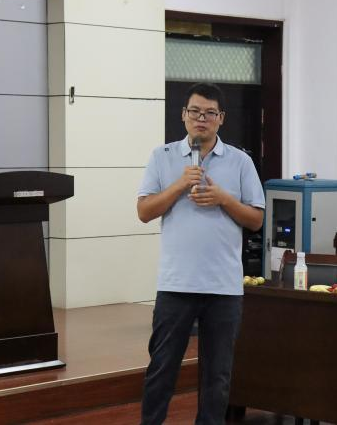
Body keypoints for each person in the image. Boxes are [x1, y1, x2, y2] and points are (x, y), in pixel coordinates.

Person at [137, 82, 265, 425]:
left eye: (210, 113)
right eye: (195, 111)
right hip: (176, 283)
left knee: (217, 377)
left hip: (223, 286)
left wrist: (223, 199)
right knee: (162, 368)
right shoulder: (162, 157)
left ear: (221, 118)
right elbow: (144, 211)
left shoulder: (240, 161)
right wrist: (180, 185)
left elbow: (255, 220)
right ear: (183, 115)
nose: (201, 119)